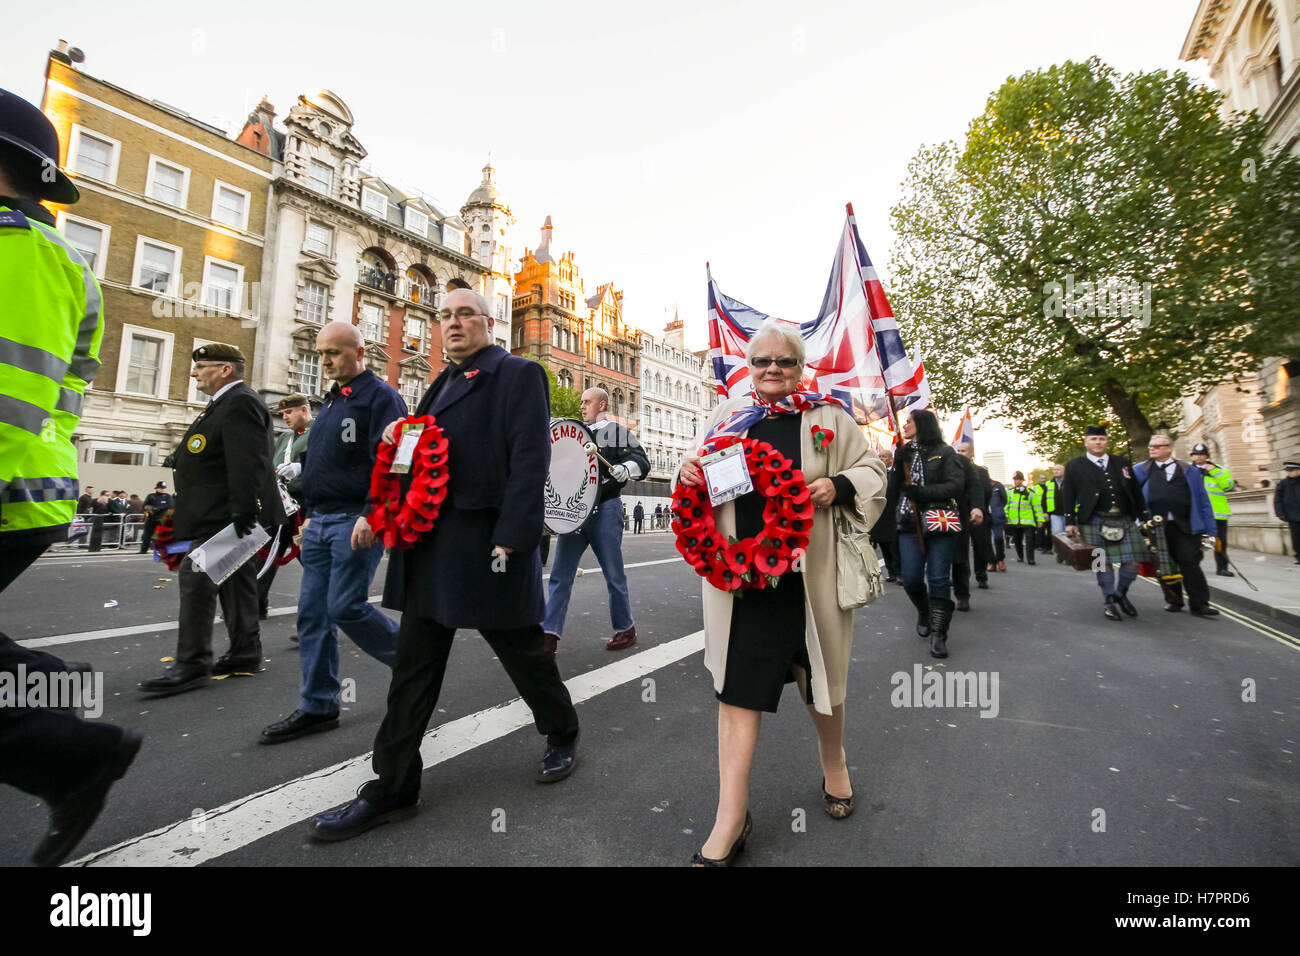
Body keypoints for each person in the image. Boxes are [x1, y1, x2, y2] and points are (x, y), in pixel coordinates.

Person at [308, 289, 580, 842]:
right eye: (446, 317)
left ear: (488, 322)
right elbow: (428, 452)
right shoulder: (441, 382)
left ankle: (562, 731)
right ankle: (393, 788)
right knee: (413, 670)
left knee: (523, 654)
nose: (453, 324)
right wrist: (400, 435)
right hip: (430, 546)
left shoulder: (517, 373)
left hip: (487, 543)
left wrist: (514, 539)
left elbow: (531, 458)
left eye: (465, 315)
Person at [677, 319, 886, 865]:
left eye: (785, 361)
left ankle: (833, 762)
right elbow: (695, 468)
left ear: (800, 367)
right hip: (744, 581)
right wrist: (688, 471)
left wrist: (837, 486)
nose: (772, 370)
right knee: (737, 692)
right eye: (762, 361)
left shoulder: (829, 416)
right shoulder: (729, 415)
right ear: (750, 367)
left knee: (823, 684)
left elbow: (874, 472)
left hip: (809, 577)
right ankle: (731, 816)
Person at [0, 86, 141, 866]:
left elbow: (11, 392)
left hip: (12, 484)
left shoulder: (22, 250)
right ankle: (59, 709)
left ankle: (69, 746)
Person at [259, 326, 405, 743]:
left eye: (333, 353)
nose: (324, 361)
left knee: (345, 606)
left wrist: (373, 512)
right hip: (321, 520)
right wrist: (306, 505)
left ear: (359, 352)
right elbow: (327, 463)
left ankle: (414, 663)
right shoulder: (333, 401)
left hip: (354, 520)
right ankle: (318, 705)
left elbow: (396, 458)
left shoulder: (381, 397)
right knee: (312, 616)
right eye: (321, 354)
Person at [138, 344, 285, 695]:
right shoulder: (223, 404)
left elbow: (247, 460)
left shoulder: (240, 402)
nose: (194, 372)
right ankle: (245, 651)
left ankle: (192, 664)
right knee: (236, 583)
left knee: (196, 574)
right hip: (222, 513)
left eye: (201, 366)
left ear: (225, 370)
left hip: (230, 515)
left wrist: (244, 511)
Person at [542, 386, 650, 654]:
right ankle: (549, 634)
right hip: (575, 512)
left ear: (602, 405)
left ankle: (625, 628)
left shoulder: (616, 432)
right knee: (560, 575)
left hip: (606, 509)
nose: (582, 406)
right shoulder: (577, 432)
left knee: (613, 574)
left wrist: (627, 468)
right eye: (581, 402)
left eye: (587, 402)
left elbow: (641, 460)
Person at [888, 409, 964, 658]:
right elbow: (894, 488)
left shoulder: (945, 452)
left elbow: (955, 485)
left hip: (939, 521)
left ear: (922, 424)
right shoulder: (905, 452)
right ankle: (924, 609)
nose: (906, 424)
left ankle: (939, 633)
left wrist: (923, 493)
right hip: (909, 524)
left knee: (939, 577)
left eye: (909, 421)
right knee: (910, 578)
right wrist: (899, 462)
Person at [1059, 424, 1148, 622]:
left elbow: (1135, 491)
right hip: (1093, 519)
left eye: (1101, 439)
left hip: (1123, 519)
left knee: (1133, 563)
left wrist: (1144, 515)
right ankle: (1109, 602)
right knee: (1101, 563)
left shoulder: (1122, 462)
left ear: (1107, 441)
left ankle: (1120, 594)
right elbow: (1068, 494)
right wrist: (1069, 521)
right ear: (1086, 442)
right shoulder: (1074, 465)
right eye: (1093, 439)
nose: (1098, 442)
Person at [1134, 435, 1220, 618]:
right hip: (1155, 526)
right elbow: (1133, 497)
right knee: (1165, 565)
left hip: (1187, 525)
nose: (1152, 449)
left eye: (1157, 446)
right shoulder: (1141, 470)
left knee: (1190, 561)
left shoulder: (1190, 470)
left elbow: (1203, 499)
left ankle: (1200, 604)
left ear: (1170, 448)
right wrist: (1137, 521)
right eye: (1151, 446)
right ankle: (1174, 600)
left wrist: (1211, 530)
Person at [256, 393, 312, 630]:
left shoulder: (317, 433)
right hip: (280, 503)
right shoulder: (284, 438)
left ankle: (316, 614)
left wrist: (302, 468)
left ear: (303, 410)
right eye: (283, 413)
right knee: (265, 555)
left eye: (289, 412)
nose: (285, 417)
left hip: (303, 504)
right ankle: (256, 605)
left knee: (309, 558)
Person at [952, 441, 991, 603]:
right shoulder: (952, 470)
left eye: (964, 451)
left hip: (976, 513)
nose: (961, 453)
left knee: (980, 545)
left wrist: (977, 507)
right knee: (959, 551)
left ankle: (981, 574)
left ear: (971, 453)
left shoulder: (981, 471)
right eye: (958, 450)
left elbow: (985, 491)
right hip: (959, 515)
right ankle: (962, 582)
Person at [1190, 443, 1236, 577]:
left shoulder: (1219, 470)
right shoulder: (1187, 471)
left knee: (1220, 542)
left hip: (1217, 513)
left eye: (1202, 454)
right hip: (1197, 513)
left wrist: (1213, 471)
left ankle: (1222, 568)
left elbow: (1228, 486)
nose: (1199, 457)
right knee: (1194, 542)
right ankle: (1193, 567)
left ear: (1207, 456)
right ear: (1193, 457)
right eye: (1196, 455)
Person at [870, 446, 901, 583]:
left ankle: (899, 572)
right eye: (880, 456)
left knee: (895, 546)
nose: (881, 459)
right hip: (879, 516)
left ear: (891, 459)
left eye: (884, 456)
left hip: (893, 515)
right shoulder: (874, 475)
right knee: (883, 545)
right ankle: (891, 571)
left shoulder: (895, 474)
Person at [1004, 472, 1042, 565]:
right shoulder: (1009, 492)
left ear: (1022, 480)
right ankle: (1020, 556)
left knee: (1030, 540)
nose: (1016, 481)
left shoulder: (1030, 493)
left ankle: (1031, 559)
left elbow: (1037, 507)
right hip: (1014, 521)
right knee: (1017, 540)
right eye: (1015, 479)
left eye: (1018, 479)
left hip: (1028, 521)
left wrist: (1040, 520)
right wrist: (1006, 517)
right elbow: (1006, 506)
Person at [1274, 461, 1300, 564]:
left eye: (1291, 471)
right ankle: (1298, 556)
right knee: (1296, 537)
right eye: (1288, 471)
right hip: (1292, 515)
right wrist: (1280, 513)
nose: (1289, 473)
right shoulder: (1283, 483)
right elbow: (1277, 500)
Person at [139, 481, 173, 553]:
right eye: (161, 488)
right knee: (147, 536)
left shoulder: (167, 496)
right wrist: (148, 508)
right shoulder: (151, 496)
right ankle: (143, 550)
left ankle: (163, 550)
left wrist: (158, 508)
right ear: (157, 488)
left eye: (163, 488)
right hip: (151, 518)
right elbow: (145, 505)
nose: (162, 489)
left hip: (161, 519)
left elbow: (170, 505)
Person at [987, 477, 1008, 572]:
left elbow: (1004, 500)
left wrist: (998, 510)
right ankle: (992, 562)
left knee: (998, 538)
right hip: (985, 516)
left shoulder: (997, 485)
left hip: (997, 516)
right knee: (986, 541)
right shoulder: (979, 485)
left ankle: (1000, 560)